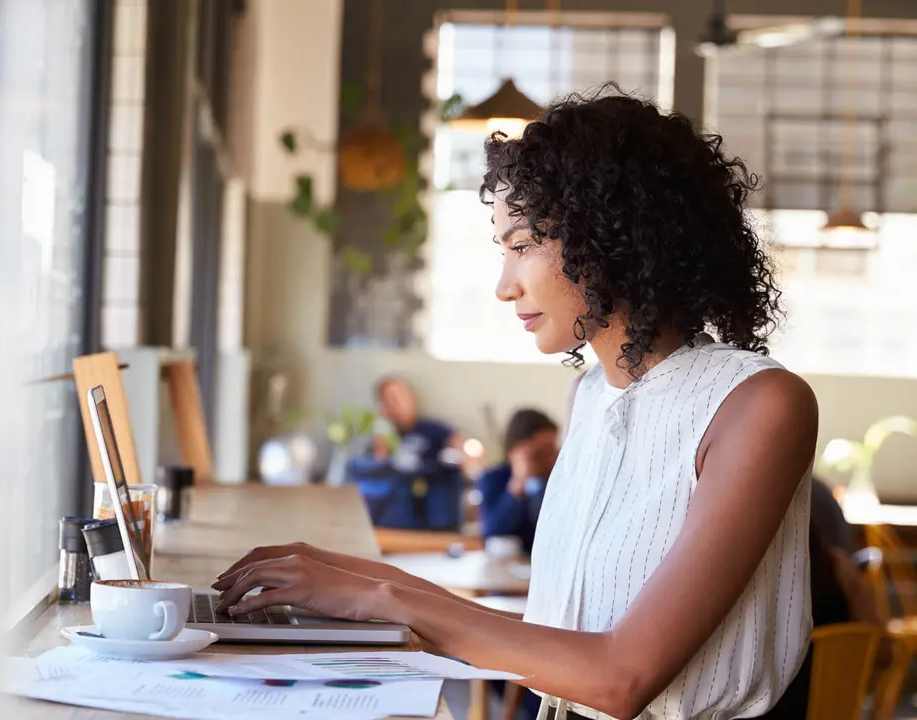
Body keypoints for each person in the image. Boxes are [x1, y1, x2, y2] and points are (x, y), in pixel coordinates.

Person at [213, 87, 817, 720]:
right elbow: (556, 637)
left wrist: (382, 596)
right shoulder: (590, 396)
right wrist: (342, 575)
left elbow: (621, 675)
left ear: (614, 236)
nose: (505, 286)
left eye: (523, 245)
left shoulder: (759, 405)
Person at [347, 376, 467, 530]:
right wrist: (381, 442)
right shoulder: (383, 436)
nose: (395, 404)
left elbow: (461, 449)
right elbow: (376, 473)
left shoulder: (433, 430)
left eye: (398, 397)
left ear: (411, 397)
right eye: (388, 400)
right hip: (396, 514)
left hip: (434, 509)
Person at [479, 408, 560, 554]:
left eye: (553, 450)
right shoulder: (493, 478)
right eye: (541, 452)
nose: (550, 458)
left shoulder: (559, 479)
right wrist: (519, 482)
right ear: (514, 451)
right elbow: (493, 530)